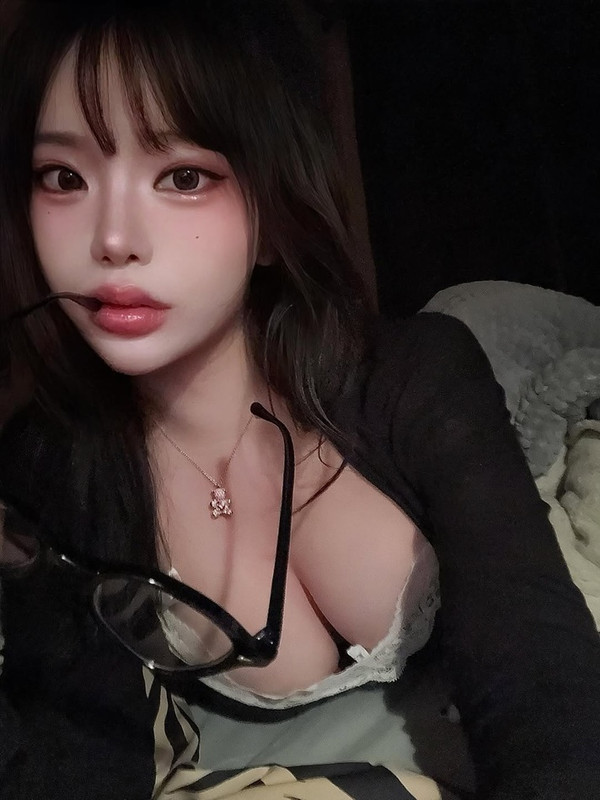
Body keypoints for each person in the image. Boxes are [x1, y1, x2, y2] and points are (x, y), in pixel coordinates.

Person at [0, 1, 599, 798]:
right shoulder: (48, 468)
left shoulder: (415, 373)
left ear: (273, 202)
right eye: (64, 178)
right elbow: (79, 752)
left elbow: (544, 683)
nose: (112, 239)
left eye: (183, 176)